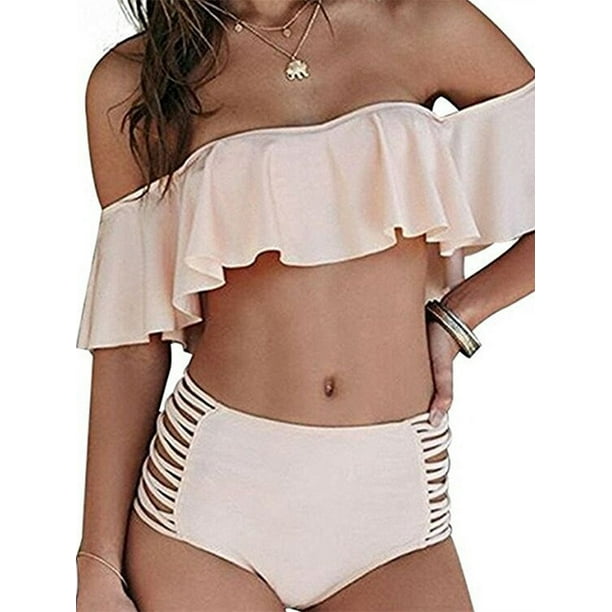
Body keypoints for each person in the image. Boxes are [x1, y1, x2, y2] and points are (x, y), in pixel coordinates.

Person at [75, 1, 535, 610]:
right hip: (209, 504)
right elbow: (131, 343)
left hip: (396, 504)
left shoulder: (421, 20)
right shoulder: (136, 79)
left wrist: (459, 316)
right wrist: (95, 564)